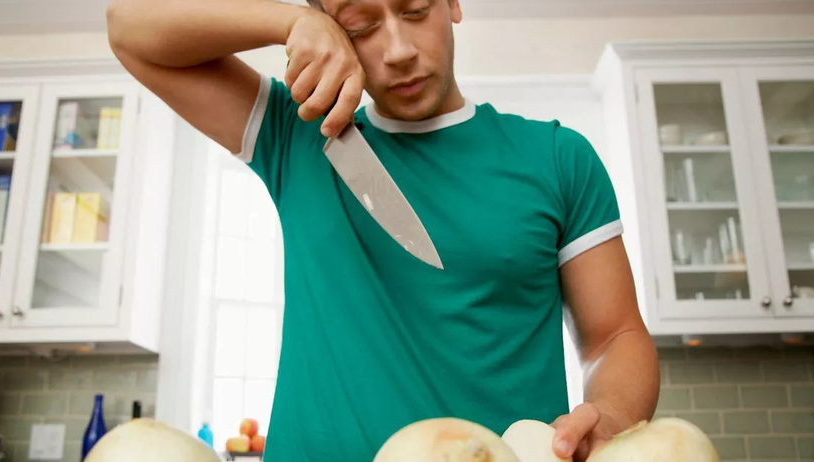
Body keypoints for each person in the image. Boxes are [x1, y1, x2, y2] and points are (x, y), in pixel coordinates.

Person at [106, 0, 660, 460]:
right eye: (359, 26)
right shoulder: (298, 136)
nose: (398, 50)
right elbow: (129, 28)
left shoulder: (558, 158)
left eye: (415, 9)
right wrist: (291, 23)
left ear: (452, 4)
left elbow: (616, 337)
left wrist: (610, 416)